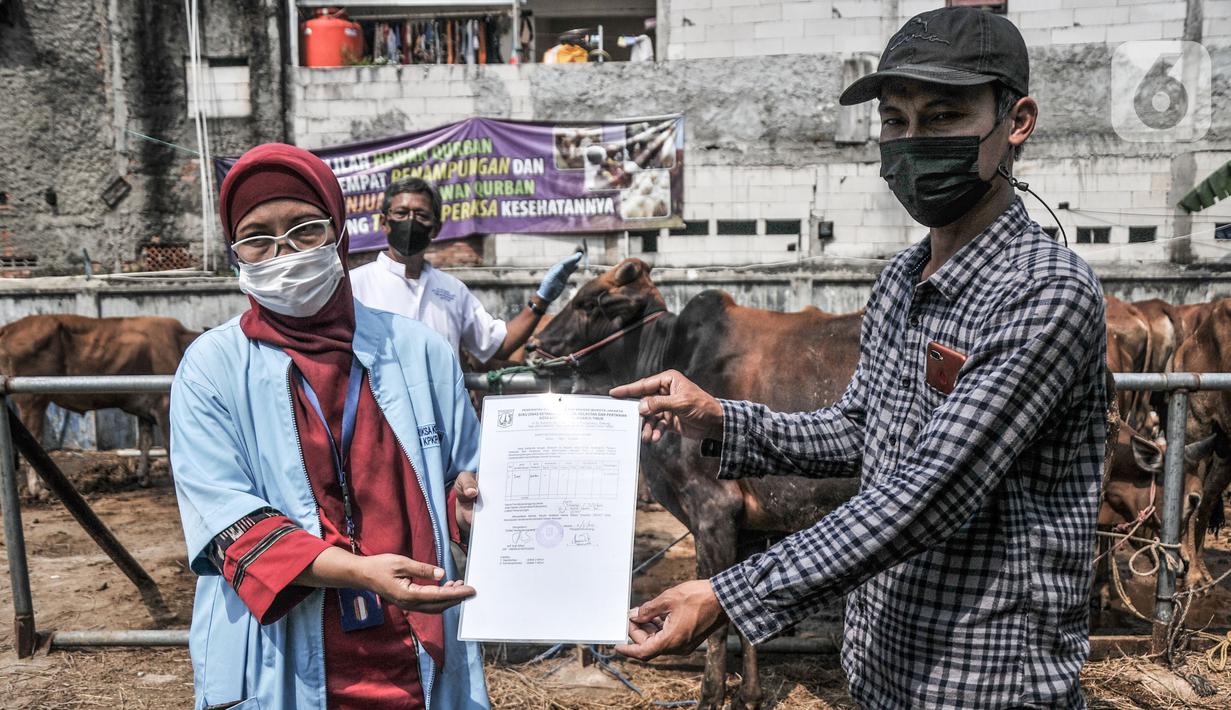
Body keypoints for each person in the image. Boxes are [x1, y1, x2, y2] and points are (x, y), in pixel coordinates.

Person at [611, 8, 1107, 708]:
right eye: (895, 122)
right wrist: (721, 416)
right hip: (880, 665)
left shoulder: (1045, 294)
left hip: (984, 677)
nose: (910, 144)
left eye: (941, 118)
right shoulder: (902, 280)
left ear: (1015, 121)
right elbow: (857, 429)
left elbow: (931, 493)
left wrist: (729, 591)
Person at [170, 144, 488, 709]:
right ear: (236, 254)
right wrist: (361, 573)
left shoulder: (419, 351)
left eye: (304, 229)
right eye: (257, 237)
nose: (282, 252)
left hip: (415, 642)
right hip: (278, 653)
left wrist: (467, 504)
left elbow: (464, 474)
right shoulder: (212, 367)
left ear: (339, 234)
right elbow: (227, 524)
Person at [349, 177, 582, 365]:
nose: (410, 222)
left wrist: (541, 299)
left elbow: (497, 345)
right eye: (401, 213)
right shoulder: (355, 286)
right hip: (380, 417)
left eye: (421, 215)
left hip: (443, 417)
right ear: (384, 223)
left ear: (435, 228)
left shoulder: (451, 290)